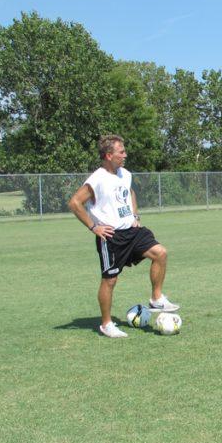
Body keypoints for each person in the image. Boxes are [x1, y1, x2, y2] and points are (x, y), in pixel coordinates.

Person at [68, 134, 179, 338]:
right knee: (110, 280)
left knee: (160, 253)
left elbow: (130, 193)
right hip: (111, 237)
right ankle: (106, 324)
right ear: (109, 155)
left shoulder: (125, 174)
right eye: (121, 152)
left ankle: (156, 298)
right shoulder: (97, 179)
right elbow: (75, 202)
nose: (125, 155)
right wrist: (94, 227)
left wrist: (134, 215)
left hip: (132, 231)